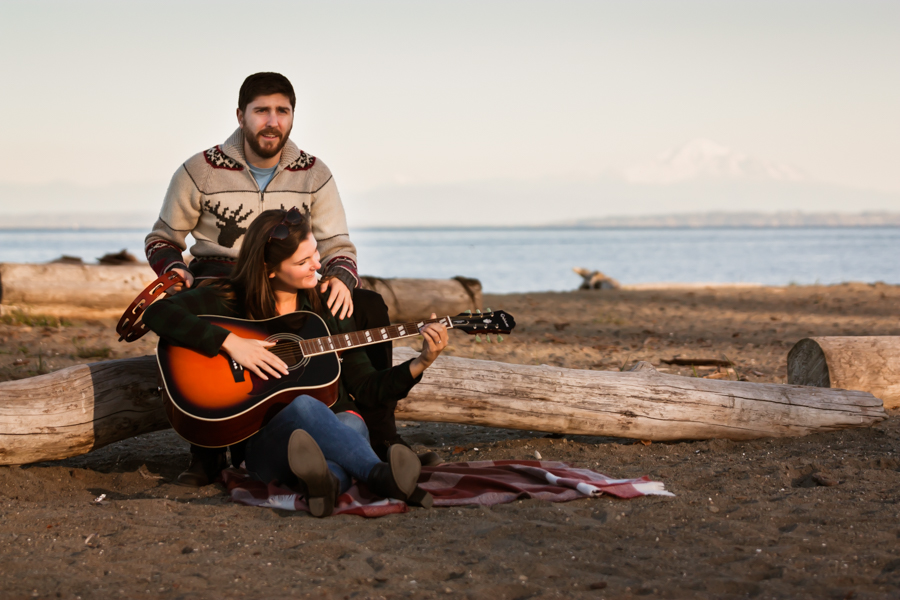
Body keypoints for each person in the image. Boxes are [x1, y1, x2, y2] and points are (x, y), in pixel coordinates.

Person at [144, 73, 418, 484]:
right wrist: (175, 268)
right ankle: (207, 448)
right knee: (211, 308)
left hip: (294, 274)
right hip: (222, 275)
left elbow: (338, 242)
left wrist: (341, 276)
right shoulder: (199, 170)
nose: (272, 121)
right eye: (261, 111)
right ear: (241, 115)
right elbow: (162, 238)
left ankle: (379, 435)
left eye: (281, 111)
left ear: (292, 117)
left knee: (367, 305)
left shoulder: (313, 173)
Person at [142, 208, 449, 517]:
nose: (318, 266)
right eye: (303, 262)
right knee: (304, 405)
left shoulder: (325, 309)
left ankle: (324, 485)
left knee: (353, 422)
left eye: (315, 253)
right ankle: (379, 475)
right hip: (264, 446)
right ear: (269, 269)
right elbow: (158, 314)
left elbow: (366, 387)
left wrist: (421, 361)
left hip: (334, 435)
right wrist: (231, 343)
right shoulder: (231, 299)